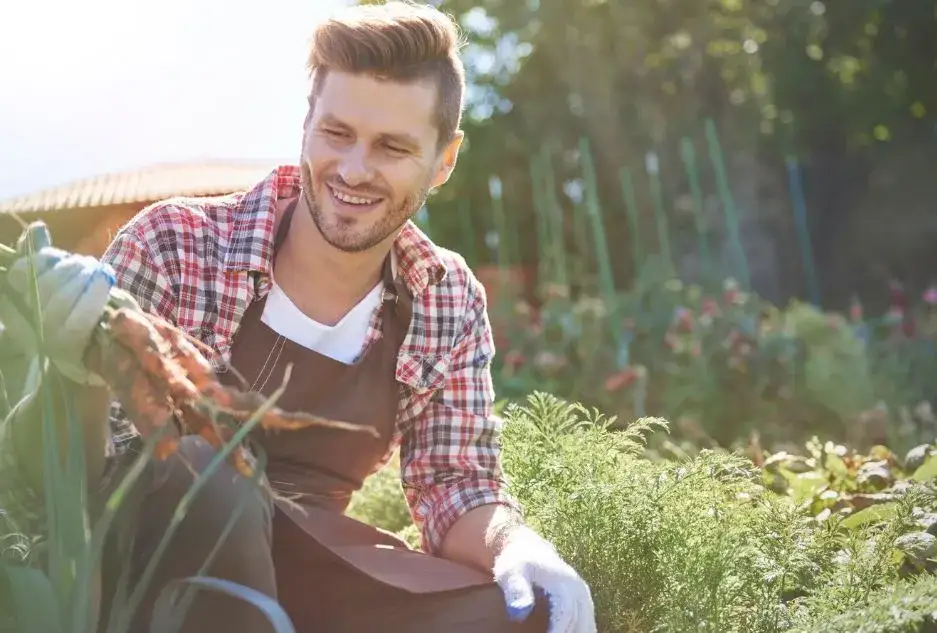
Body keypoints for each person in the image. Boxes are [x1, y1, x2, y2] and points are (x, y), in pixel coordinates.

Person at [0, 2, 596, 632]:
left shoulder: (443, 295)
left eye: (392, 147)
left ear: (443, 161)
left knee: (526, 611)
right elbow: (60, 479)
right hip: (151, 571)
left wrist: (517, 546)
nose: (355, 169)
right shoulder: (174, 242)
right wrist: (79, 380)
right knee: (208, 477)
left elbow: (454, 484)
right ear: (307, 123)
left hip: (316, 563)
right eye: (337, 133)